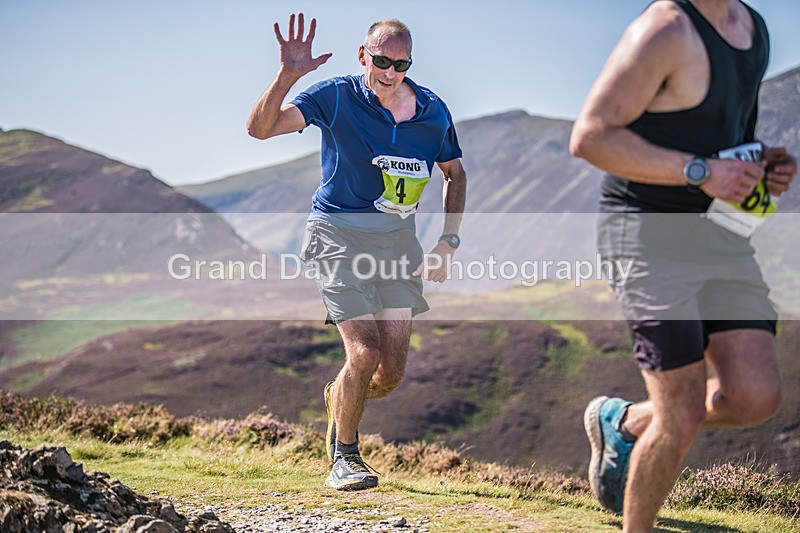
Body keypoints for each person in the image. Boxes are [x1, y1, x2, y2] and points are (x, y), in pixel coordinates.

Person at [569, 0, 796, 531]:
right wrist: (700, 172)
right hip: (646, 234)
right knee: (683, 413)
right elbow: (591, 136)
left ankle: (621, 421)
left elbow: (713, 131)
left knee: (754, 397)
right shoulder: (664, 29)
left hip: (720, 233)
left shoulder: (751, 26)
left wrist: (762, 159)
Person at [247, 13, 467, 491]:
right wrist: (287, 76)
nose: (389, 73)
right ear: (363, 54)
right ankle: (344, 457)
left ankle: (339, 395)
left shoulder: (433, 112)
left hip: (396, 244)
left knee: (389, 374)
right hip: (335, 235)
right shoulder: (336, 96)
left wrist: (448, 241)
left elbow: (454, 173)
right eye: (381, 60)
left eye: (401, 64)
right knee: (363, 353)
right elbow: (261, 129)